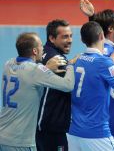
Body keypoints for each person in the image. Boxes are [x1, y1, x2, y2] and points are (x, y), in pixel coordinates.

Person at [67, 21, 114, 151]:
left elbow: (104, 64)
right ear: (102, 36)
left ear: (81, 39)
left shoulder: (77, 60)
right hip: (97, 134)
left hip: (74, 134)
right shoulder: (103, 63)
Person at [0, 32, 74, 151]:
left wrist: (45, 68)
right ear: (34, 51)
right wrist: (70, 65)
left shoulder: (8, 64)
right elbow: (68, 85)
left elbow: (28, 74)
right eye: (40, 46)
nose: (43, 48)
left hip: (2, 136)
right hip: (21, 142)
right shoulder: (36, 71)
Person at [36, 19, 72, 151]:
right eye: (64, 37)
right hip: (52, 129)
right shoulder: (59, 62)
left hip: (38, 124)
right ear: (52, 38)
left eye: (70, 36)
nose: (70, 40)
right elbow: (71, 87)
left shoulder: (42, 53)